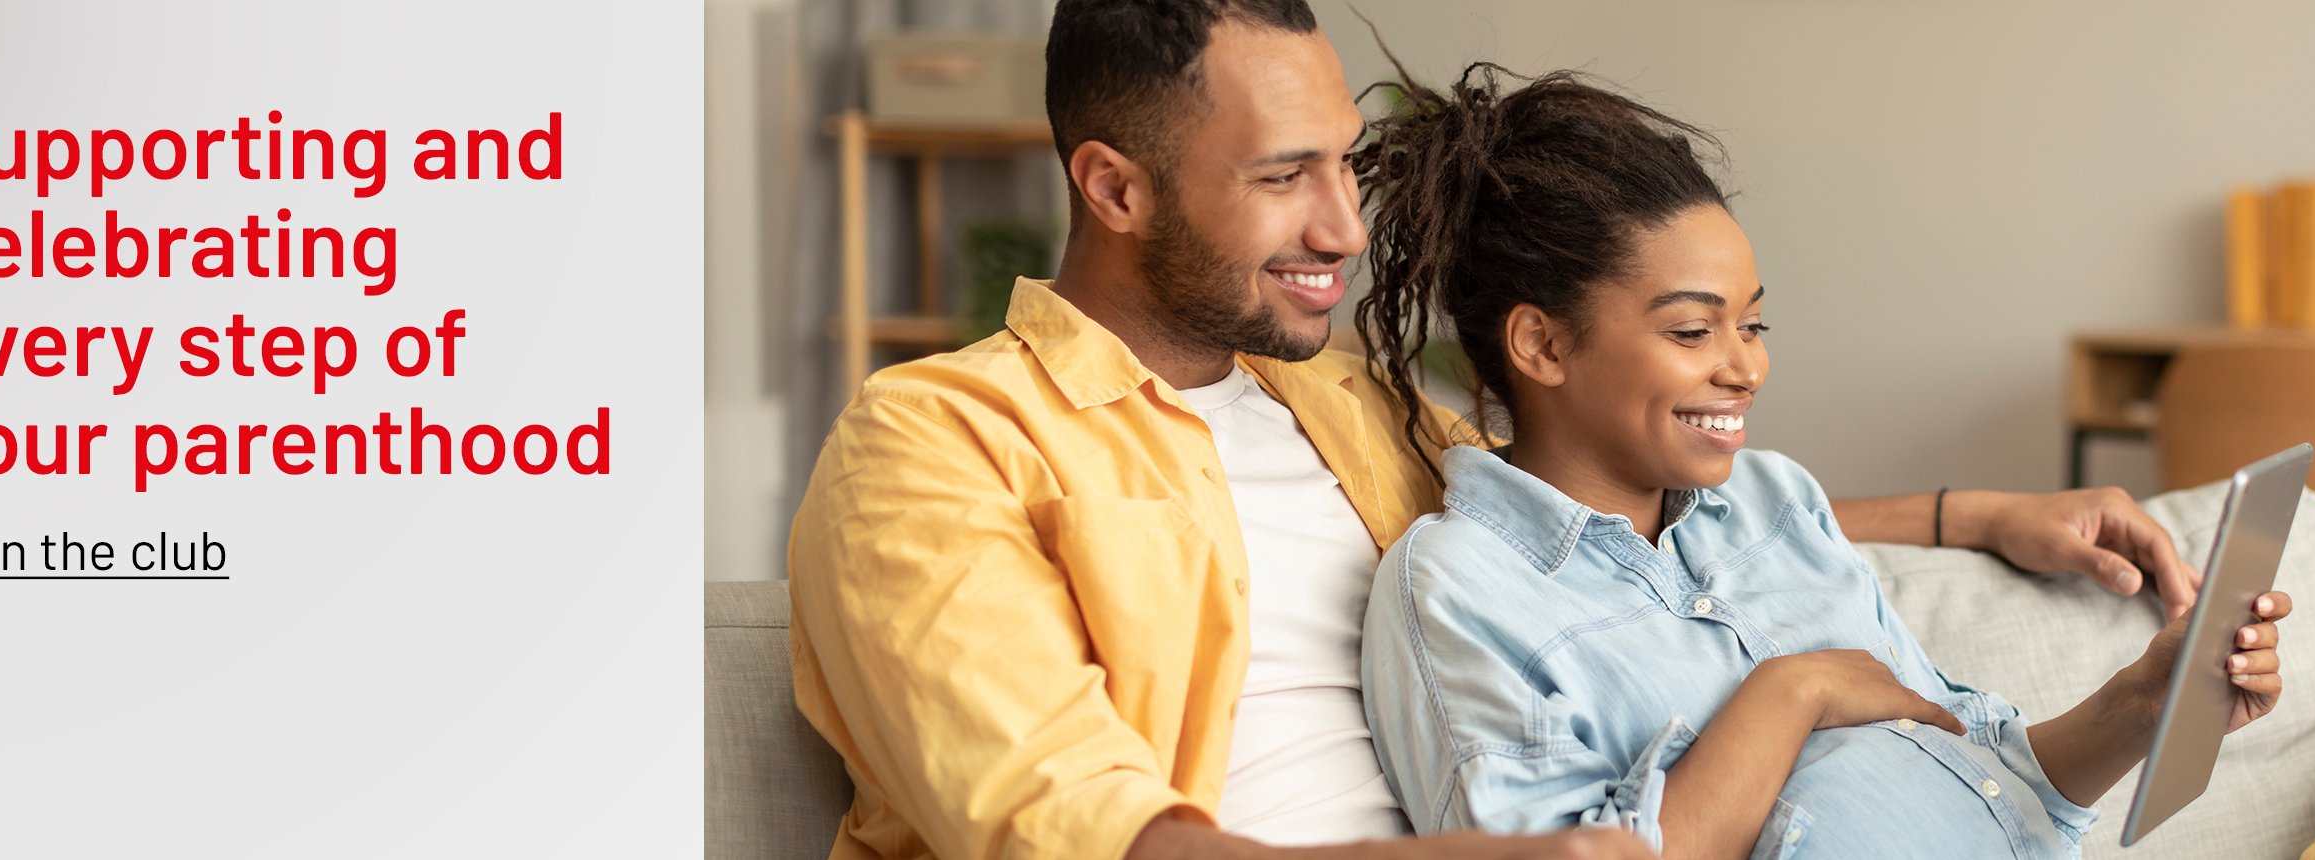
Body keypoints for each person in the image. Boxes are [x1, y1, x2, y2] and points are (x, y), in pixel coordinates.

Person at [788, 2, 2214, 858]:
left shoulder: (1352, 402)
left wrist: (1969, 520)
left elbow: (1610, 530)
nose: (1344, 229)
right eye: (1287, 177)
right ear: (1114, 188)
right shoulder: (935, 447)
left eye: (1345, 164)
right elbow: (1100, 839)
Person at [1347, 63, 2293, 859]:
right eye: (1693, 328)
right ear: (1543, 347)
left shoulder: (1774, 501)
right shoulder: (1458, 589)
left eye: (1753, 324)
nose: (1746, 367)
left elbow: (1982, 767)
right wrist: (1792, 691)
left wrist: (2143, 702)